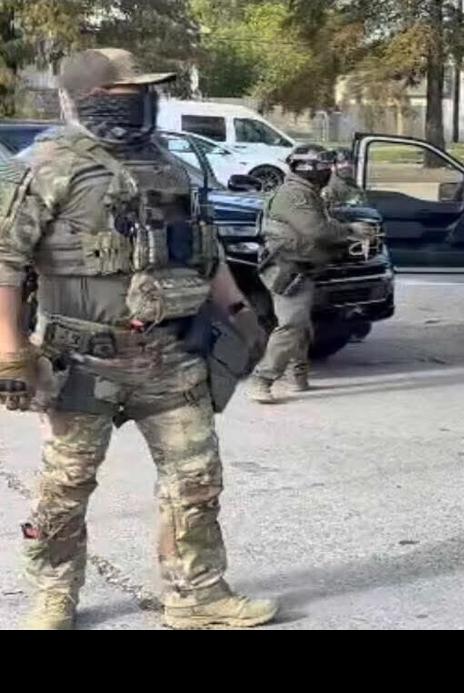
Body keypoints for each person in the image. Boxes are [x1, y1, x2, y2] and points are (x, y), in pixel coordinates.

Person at [0, 48, 277, 630]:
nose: (140, 105)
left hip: (171, 357)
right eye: (124, 95)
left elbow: (203, 249)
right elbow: (4, 261)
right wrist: (12, 352)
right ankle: (53, 595)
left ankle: (196, 595)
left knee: (196, 481)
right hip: (80, 360)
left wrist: (239, 312)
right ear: (85, 100)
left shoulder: (169, 164)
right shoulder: (45, 165)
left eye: (143, 95)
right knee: (64, 488)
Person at [249, 144, 367, 403]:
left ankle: (297, 376)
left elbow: (345, 195)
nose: (328, 171)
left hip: (301, 268)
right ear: (306, 169)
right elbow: (316, 230)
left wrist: (345, 174)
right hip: (288, 269)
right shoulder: (293, 195)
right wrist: (351, 230)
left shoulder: (309, 191)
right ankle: (262, 380)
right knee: (291, 325)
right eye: (324, 167)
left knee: (300, 326)